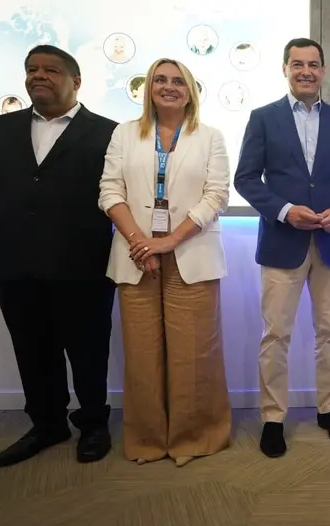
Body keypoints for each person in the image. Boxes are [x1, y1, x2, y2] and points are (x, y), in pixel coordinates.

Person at [0, 45, 118, 467]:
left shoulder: (109, 132)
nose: (39, 76)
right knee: (32, 350)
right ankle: (47, 424)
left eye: (51, 70)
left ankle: (93, 424)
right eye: (32, 69)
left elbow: (120, 199)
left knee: (88, 350)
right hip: (14, 262)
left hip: (83, 264)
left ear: (76, 81)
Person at [235, 38, 330, 458]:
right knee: (276, 334)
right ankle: (273, 417)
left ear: (323, 70)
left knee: (329, 333)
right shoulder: (263, 118)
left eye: (313, 64)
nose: (306, 71)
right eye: (298, 64)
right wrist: (285, 210)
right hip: (282, 242)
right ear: (285, 69)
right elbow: (246, 179)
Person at [98, 58, 233, 467]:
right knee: (142, 353)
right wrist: (142, 242)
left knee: (193, 353)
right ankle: (148, 439)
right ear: (148, 89)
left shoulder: (209, 137)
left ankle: (194, 436)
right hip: (136, 255)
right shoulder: (124, 134)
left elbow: (217, 195)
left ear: (190, 90)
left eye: (178, 81)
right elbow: (108, 191)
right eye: (160, 79)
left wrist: (170, 241)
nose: (169, 86)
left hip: (191, 252)